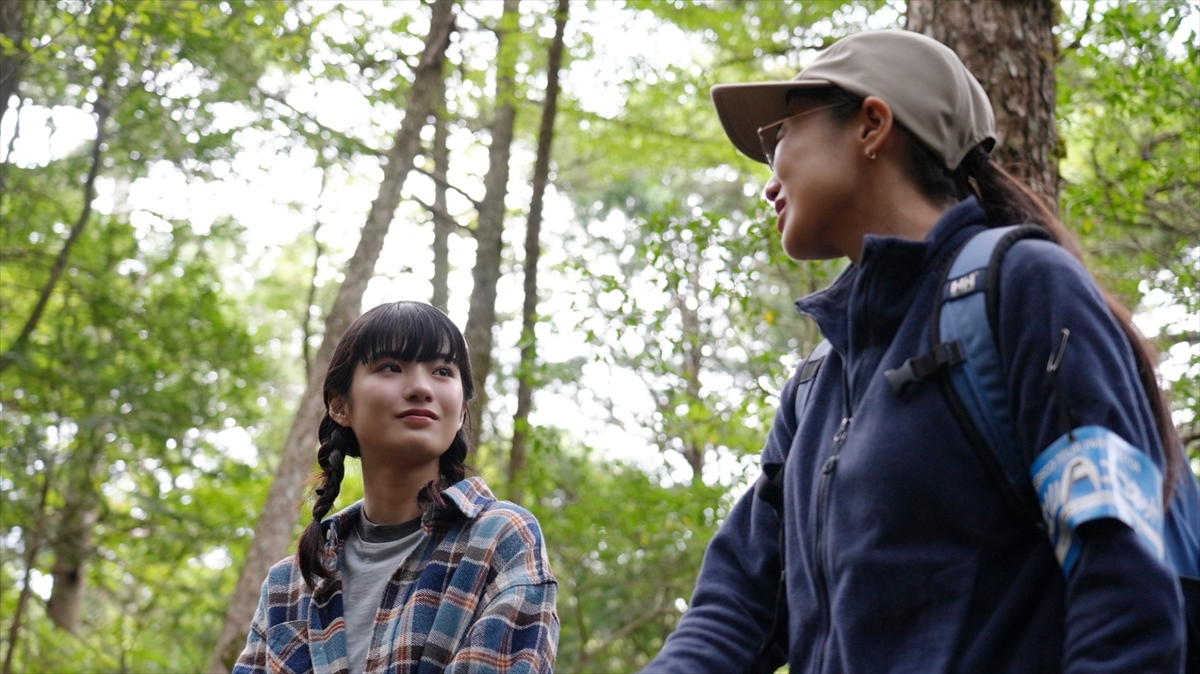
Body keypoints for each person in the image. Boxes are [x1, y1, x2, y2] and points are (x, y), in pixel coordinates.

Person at [643, 29, 1195, 673]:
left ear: (872, 124)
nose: (769, 181)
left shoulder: (1025, 290)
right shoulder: (817, 383)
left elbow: (1124, 589)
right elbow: (736, 606)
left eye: (779, 138)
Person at [233, 301, 559, 674]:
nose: (421, 387)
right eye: (391, 367)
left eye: (442, 371)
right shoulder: (289, 584)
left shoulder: (498, 539)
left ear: (462, 412)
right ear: (340, 407)